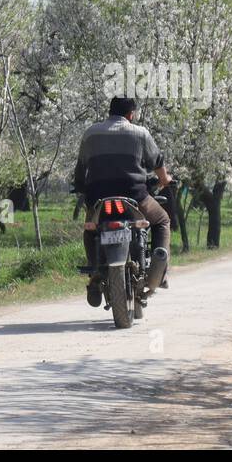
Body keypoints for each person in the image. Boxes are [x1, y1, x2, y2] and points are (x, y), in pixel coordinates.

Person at [72, 96, 172, 308]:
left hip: (98, 198)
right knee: (162, 220)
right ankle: (160, 272)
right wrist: (164, 180)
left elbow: (81, 167)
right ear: (131, 115)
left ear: (110, 112)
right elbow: (157, 161)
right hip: (135, 197)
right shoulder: (140, 133)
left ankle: (94, 273)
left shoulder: (91, 133)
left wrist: (81, 186)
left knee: (91, 230)